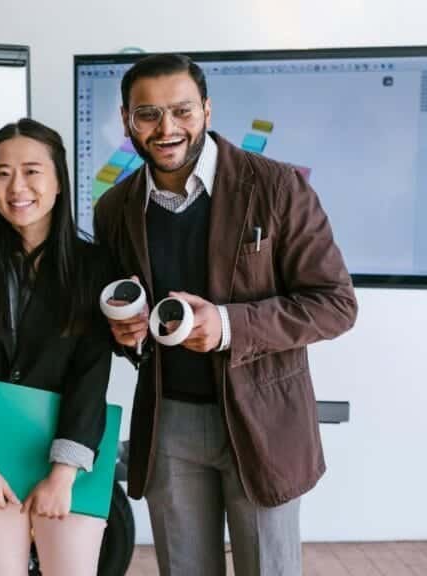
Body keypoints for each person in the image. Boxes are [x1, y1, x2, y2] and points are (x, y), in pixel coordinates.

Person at [94, 53, 358, 576]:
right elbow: (127, 316)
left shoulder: (278, 187)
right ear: (127, 120)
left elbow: (335, 303)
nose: (167, 128)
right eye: (148, 114)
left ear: (208, 111)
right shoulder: (114, 208)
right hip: (169, 421)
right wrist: (125, 333)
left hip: (263, 422)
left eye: (182, 111)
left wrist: (229, 326)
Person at [0, 118, 113, 575]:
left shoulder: (94, 268)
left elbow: (92, 373)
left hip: (70, 461)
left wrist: (63, 474)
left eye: (32, 171)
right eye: (1, 172)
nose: (16, 187)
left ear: (57, 183)